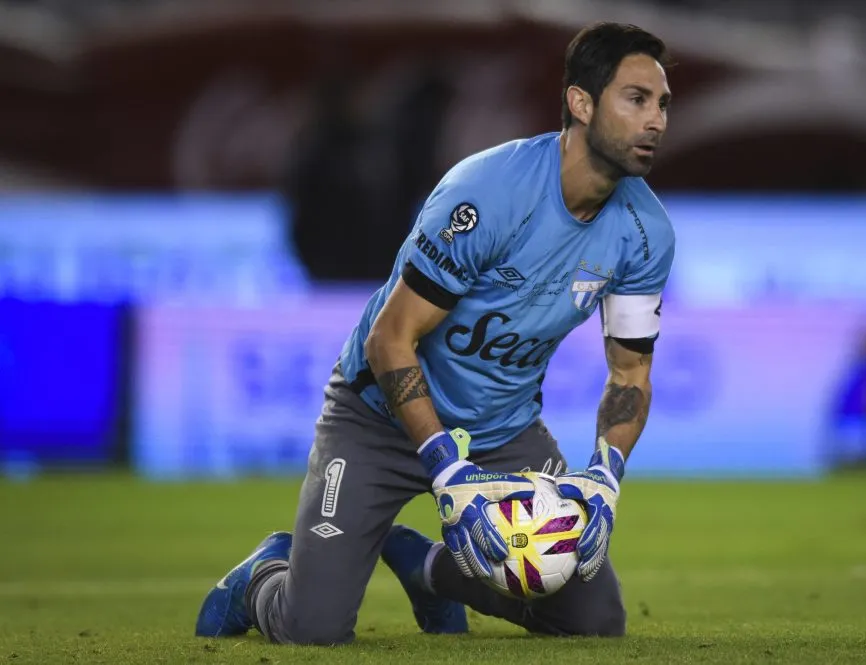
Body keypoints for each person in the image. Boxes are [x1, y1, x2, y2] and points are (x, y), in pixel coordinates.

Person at [195, 21, 676, 645]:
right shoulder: (490, 193)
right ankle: (261, 579)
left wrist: (605, 475)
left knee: (593, 620)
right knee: (311, 628)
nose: (657, 119)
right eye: (636, 99)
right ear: (581, 103)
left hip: (502, 431)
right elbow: (390, 340)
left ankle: (427, 571)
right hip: (378, 418)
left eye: (663, 103)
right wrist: (446, 468)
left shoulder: (646, 234)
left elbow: (630, 374)